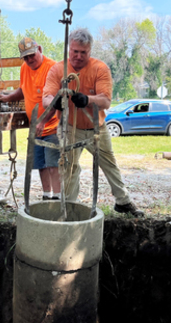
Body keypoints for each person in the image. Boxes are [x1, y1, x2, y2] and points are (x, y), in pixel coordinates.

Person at [40, 28, 144, 217]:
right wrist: (54, 101)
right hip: (70, 128)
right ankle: (69, 208)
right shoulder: (58, 69)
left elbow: (105, 100)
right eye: (75, 51)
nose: (78, 56)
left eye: (83, 52)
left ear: (90, 51)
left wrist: (87, 100)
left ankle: (123, 201)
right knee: (70, 167)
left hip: (97, 128)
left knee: (109, 163)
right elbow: (46, 98)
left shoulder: (100, 68)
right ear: (69, 49)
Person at [0, 37, 61, 200]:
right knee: (41, 165)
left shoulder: (52, 68)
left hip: (53, 125)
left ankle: (58, 198)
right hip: (36, 127)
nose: (29, 59)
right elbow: (23, 89)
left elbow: (56, 100)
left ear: (39, 49)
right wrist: (8, 97)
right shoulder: (24, 68)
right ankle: (47, 196)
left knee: (53, 164)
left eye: (32, 55)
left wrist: (43, 121)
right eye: (25, 57)